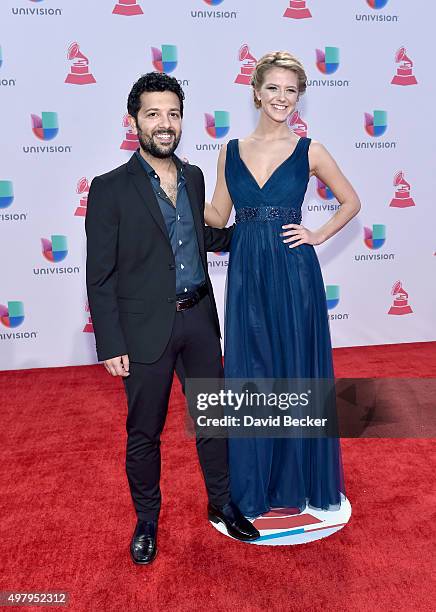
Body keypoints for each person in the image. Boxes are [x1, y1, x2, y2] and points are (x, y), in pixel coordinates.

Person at [86, 72, 259, 565]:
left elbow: (201, 239)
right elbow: (99, 276)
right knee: (145, 431)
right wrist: (110, 342)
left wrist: (259, 235)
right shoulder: (109, 189)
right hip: (144, 331)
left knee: (213, 421)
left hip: (199, 320)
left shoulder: (196, 176)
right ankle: (147, 521)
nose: (165, 124)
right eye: (154, 114)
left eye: (173, 114)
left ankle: (222, 504)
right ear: (134, 120)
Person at [205, 52, 361, 519]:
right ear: (256, 91)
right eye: (273, 88)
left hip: (294, 273)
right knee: (254, 372)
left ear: (299, 98)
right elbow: (216, 215)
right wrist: (175, 191)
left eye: (290, 90)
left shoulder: (310, 150)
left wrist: (316, 234)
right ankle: (256, 484)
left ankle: (297, 478)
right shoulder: (229, 150)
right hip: (247, 272)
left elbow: (351, 202)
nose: (281, 98)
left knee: (295, 369)